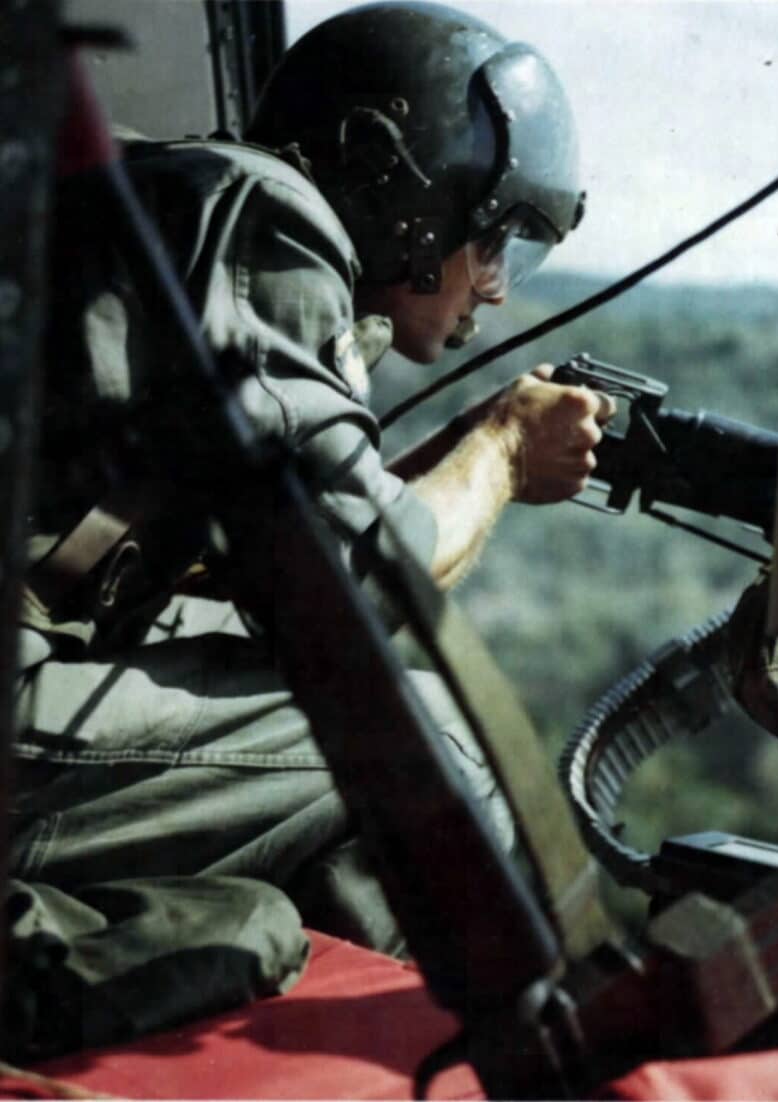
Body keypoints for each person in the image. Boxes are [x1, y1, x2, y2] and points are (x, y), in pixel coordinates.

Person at [5, 1, 606, 1058]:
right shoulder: (257, 209)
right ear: (408, 185)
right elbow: (362, 594)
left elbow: (282, 567)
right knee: (415, 725)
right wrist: (504, 453)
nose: (499, 284)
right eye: (495, 229)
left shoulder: (168, 200)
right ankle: (526, 1055)